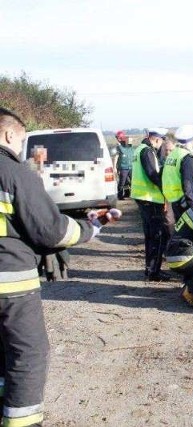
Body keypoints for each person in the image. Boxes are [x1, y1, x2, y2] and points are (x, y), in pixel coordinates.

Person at [0, 107, 117, 426]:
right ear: (10, 134)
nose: (20, 148)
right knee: (27, 356)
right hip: (10, 287)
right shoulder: (14, 172)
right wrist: (90, 229)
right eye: (21, 140)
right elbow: (50, 231)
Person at [131, 127, 172, 281]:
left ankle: (150, 269)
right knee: (157, 236)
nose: (161, 145)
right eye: (161, 141)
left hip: (143, 198)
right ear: (156, 139)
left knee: (150, 236)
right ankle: (154, 272)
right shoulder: (147, 151)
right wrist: (166, 187)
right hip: (150, 199)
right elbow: (152, 175)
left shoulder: (139, 149)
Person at [162, 125, 193, 220]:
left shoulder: (172, 155)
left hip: (175, 201)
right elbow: (189, 185)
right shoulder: (186, 157)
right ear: (192, 139)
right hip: (186, 203)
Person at [114, 130, 135, 200]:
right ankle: (120, 195)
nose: (118, 139)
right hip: (123, 167)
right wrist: (114, 167)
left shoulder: (129, 145)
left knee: (131, 181)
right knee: (122, 182)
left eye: (119, 138)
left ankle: (127, 193)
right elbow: (116, 157)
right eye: (117, 138)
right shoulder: (118, 147)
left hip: (131, 166)